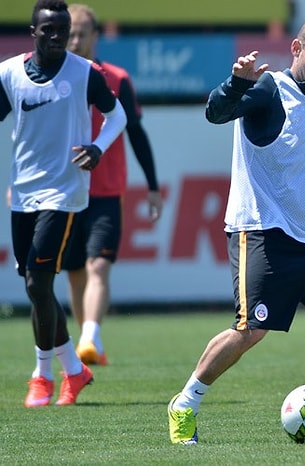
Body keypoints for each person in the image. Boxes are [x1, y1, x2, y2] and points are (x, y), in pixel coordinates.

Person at [167, 16, 305, 445]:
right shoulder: (270, 89)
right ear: (295, 49)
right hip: (264, 232)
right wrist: (236, 84)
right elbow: (217, 112)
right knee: (251, 329)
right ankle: (185, 404)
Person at [0, 0, 126, 407]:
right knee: (35, 287)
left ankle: (42, 376)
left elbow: (118, 116)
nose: (57, 37)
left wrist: (98, 147)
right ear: (33, 32)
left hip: (66, 192)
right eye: (48, 30)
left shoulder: (84, 73)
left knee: (38, 282)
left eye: (62, 30)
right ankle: (73, 369)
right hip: (23, 194)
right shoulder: (8, 74)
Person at [62, 3, 163, 367]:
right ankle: (88, 340)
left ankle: (90, 335)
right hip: (63, 191)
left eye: (81, 33)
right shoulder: (54, 77)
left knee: (98, 266)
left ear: (95, 36)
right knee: (74, 272)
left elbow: (135, 132)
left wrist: (152, 186)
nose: (74, 40)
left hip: (106, 193)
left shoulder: (116, 78)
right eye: (69, 34)